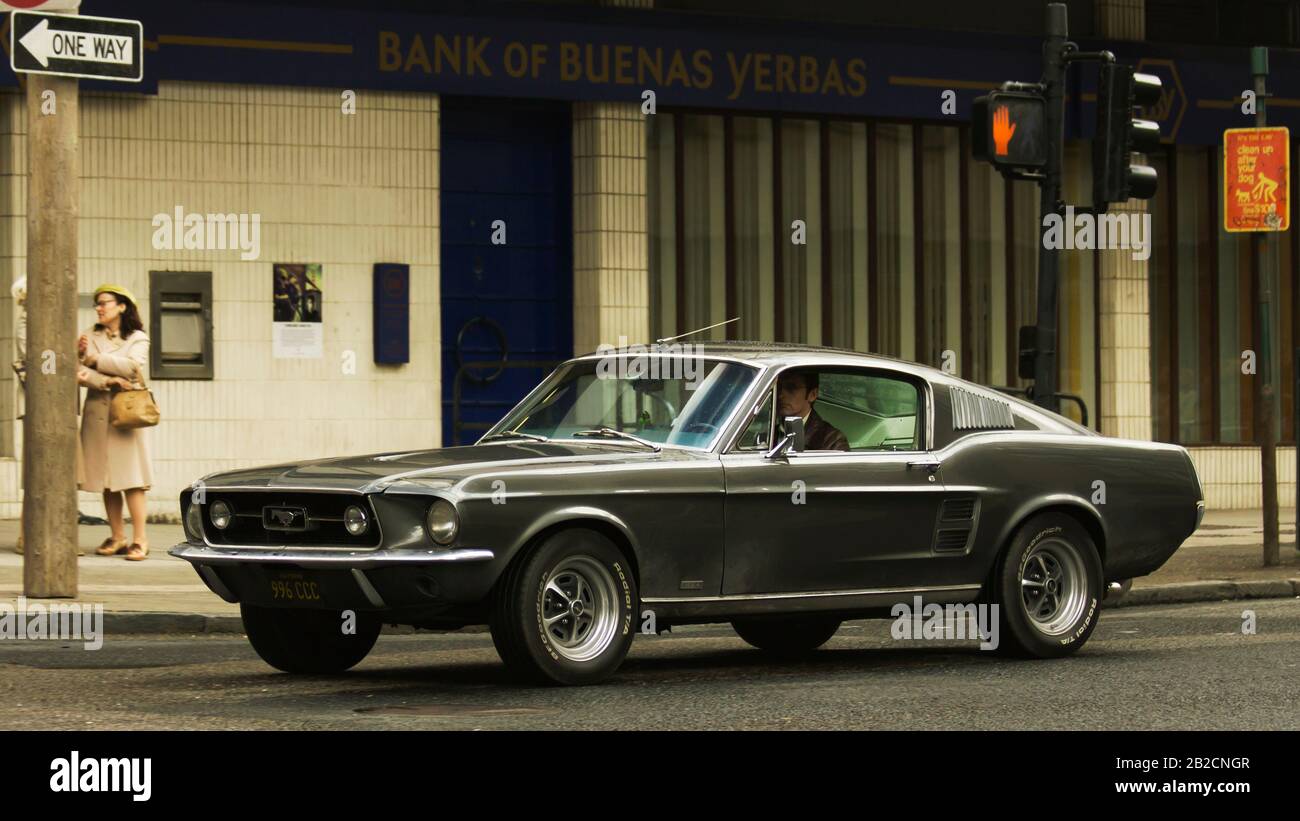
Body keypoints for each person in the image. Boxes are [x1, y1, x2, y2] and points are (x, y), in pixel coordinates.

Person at [76, 285, 153, 561]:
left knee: (132, 479)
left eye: (105, 303)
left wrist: (96, 359)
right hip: (97, 413)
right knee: (106, 480)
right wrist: (106, 377)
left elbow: (133, 367)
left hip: (126, 414)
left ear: (122, 306)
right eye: (97, 303)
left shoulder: (137, 337)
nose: (99, 308)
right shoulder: (88, 335)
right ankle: (118, 536)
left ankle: (140, 539)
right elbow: (80, 371)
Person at [775, 370, 849, 451]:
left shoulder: (832, 441)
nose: (780, 395)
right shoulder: (769, 434)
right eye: (778, 387)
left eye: (791, 388)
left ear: (812, 394)